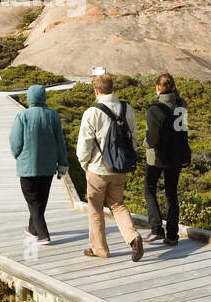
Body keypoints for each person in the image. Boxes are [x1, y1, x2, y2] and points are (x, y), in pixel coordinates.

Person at [75, 73, 144, 261]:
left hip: (97, 169)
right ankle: (133, 237)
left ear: (96, 91)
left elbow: (84, 146)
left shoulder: (92, 112)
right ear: (113, 89)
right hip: (120, 168)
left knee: (96, 209)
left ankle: (100, 249)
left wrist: (84, 164)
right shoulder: (126, 108)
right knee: (118, 204)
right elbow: (134, 139)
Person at [8, 84, 68, 245]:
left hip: (28, 167)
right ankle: (32, 229)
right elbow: (60, 143)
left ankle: (43, 235)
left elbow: (15, 143)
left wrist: (18, 156)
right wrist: (63, 165)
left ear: (29, 97)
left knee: (33, 202)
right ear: (43, 97)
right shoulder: (53, 116)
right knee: (40, 200)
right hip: (48, 167)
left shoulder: (22, 116)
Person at [144, 72, 189, 246]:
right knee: (171, 193)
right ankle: (172, 235)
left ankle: (156, 229)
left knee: (149, 189)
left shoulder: (154, 109)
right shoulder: (182, 105)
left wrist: (144, 143)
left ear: (157, 88)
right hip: (177, 155)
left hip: (157, 157)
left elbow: (152, 139)